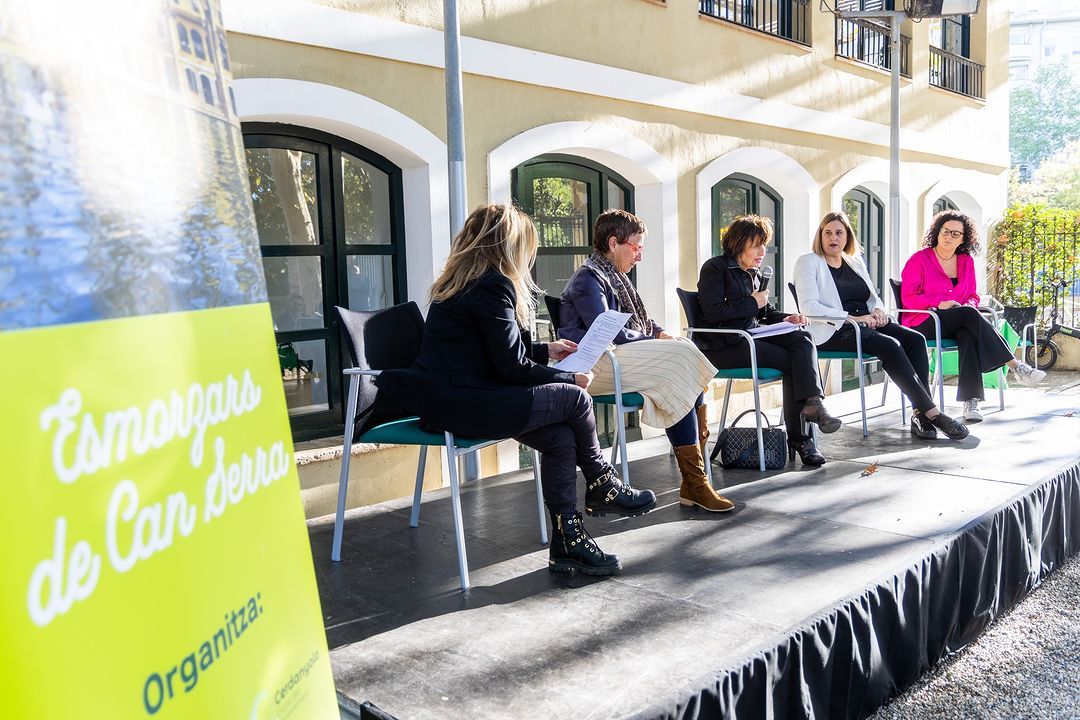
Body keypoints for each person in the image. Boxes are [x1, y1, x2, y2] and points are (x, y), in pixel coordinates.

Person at [375, 204, 656, 577]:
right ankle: (603, 483)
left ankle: (568, 541)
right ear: (507, 246)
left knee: (558, 437)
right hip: (466, 405)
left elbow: (494, 354)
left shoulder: (461, 284)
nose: (529, 255)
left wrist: (547, 350)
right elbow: (511, 367)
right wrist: (567, 379)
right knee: (574, 398)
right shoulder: (493, 286)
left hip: (456, 399)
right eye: (526, 245)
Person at [559, 209, 732, 512]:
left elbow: (643, 323)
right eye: (636, 247)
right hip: (593, 366)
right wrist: (657, 342)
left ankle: (694, 483)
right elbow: (608, 329)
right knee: (678, 362)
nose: (639, 256)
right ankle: (695, 483)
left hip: (617, 357)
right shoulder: (588, 279)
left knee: (682, 352)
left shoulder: (615, 278)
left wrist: (663, 334)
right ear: (614, 243)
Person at [793, 212, 968, 440]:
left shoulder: (853, 261)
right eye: (828, 233)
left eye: (839, 233)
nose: (833, 238)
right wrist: (852, 318)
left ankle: (919, 414)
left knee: (916, 339)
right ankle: (932, 412)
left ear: (847, 237)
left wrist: (877, 310)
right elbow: (808, 306)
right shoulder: (808, 261)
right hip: (834, 329)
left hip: (867, 322)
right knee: (891, 345)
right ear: (820, 236)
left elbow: (872, 296)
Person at [695, 215, 841, 466]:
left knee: (802, 337)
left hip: (750, 339)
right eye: (757, 245)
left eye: (765, 245)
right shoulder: (715, 268)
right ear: (739, 243)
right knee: (793, 362)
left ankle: (813, 406)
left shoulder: (751, 273)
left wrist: (788, 317)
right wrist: (752, 302)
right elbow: (713, 312)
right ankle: (802, 437)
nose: (763, 251)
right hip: (724, 346)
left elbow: (764, 313)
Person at [899, 210, 1045, 423]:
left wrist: (969, 304)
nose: (949, 236)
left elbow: (973, 296)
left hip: (958, 319)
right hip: (924, 321)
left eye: (956, 234)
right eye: (946, 231)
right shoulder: (919, 259)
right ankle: (1015, 365)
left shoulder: (965, 261)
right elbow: (908, 297)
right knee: (968, 317)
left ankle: (971, 401)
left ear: (963, 239)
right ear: (937, 232)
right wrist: (938, 303)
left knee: (968, 334)